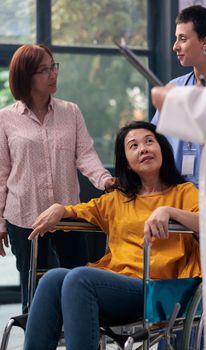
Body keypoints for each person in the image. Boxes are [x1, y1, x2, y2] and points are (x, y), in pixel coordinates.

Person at [23, 121, 201, 350]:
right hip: (115, 286)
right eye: (134, 146)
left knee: (79, 278)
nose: (144, 148)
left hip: (159, 289)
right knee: (52, 278)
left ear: (162, 149)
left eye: (149, 141)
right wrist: (60, 208)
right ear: (126, 162)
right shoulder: (118, 199)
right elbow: (80, 210)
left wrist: (169, 212)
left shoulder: (184, 192)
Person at [0, 44, 116, 313]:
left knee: (76, 280)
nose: (53, 74)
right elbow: (2, 173)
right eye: (44, 70)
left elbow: (85, 154)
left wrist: (104, 180)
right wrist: (0, 222)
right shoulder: (5, 119)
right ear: (26, 76)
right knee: (34, 290)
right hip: (24, 216)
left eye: (54, 66)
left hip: (67, 215)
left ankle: (76, 331)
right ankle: (38, 334)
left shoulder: (71, 112)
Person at [151, 17, 206, 350]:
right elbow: (156, 146)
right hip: (182, 208)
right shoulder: (177, 84)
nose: (175, 46)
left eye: (183, 38)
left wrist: (175, 104)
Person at [151, 5, 206, 187]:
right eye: (176, 39)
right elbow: (154, 139)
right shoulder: (174, 88)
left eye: (182, 39)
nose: (175, 46)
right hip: (177, 197)